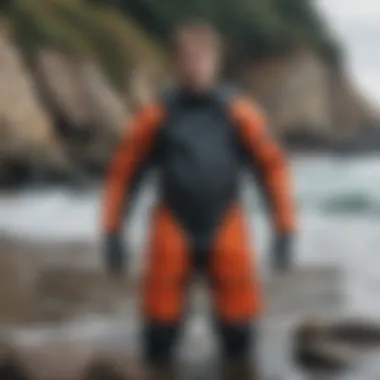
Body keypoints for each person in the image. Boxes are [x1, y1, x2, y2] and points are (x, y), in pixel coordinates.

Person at [102, 19, 296, 380]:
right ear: (177, 63)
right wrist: (113, 231)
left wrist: (284, 230)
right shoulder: (157, 115)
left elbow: (272, 168)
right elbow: (124, 172)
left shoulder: (239, 112)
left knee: (239, 336)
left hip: (226, 225)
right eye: (187, 58)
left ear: (216, 62)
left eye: (202, 58)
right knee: (159, 336)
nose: (195, 66)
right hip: (172, 225)